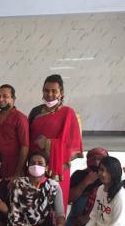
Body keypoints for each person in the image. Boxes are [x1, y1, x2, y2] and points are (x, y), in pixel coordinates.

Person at [28, 74, 83, 213]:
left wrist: (48, 143)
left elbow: (73, 144)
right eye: (46, 90)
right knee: (34, 203)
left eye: (54, 91)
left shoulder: (68, 113)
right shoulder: (36, 112)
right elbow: (27, 138)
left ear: (61, 93)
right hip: (36, 166)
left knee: (55, 207)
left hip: (58, 167)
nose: (50, 94)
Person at [8, 152, 65, 226]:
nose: (36, 166)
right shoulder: (19, 184)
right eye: (33, 163)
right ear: (28, 165)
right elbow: (14, 214)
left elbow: (60, 214)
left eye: (40, 163)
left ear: (47, 167)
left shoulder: (53, 186)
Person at [72, 156, 125, 226]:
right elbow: (94, 217)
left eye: (108, 171)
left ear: (115, 173)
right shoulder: (101, 189)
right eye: (101, 170)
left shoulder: (121, 197)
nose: (103, 174)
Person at [0, 84, 29, 180]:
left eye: (5, 96)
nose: (1, 99)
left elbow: (25, 147)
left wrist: (17, 173)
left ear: (13, 98)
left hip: (13, 169)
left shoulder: (20, 118)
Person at [65, 147, 109, 226]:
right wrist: (86, 182)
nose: (96, 162)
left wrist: (88, 217)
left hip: (98, 223)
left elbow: (108, 202)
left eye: (100, 159)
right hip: (74, 222)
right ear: (87, 160)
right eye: (93, 159)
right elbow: (69, 198)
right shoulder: (78, 174)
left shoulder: (108, 177)